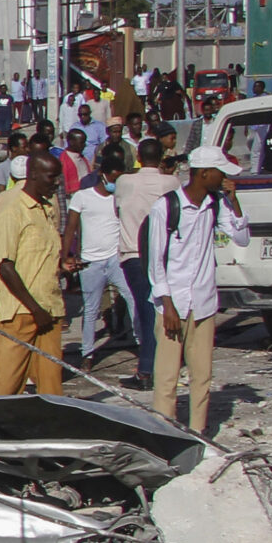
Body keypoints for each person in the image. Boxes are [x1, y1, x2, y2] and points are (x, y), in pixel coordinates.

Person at [145, 143, 251, 434]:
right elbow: (156, 262)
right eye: (221, 174)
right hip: (172, 304)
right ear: (204, 174)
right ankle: (164, 433)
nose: (225, 179)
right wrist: (166, 304)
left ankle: (198, 434)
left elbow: (242, 238)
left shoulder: (215, 204)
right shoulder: (166, 206)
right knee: (166, 377)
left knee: (201, 376)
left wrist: (233, 198)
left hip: (203, 303)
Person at [0, 155, 67, 397]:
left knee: (51, 386)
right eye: (52, 177)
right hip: (19, 312)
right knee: (7, 386)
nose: (57, 183)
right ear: (34, 175)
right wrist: (35, 309)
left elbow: (40, 255)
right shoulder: (13, 211)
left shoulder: (47, 209)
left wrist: (65, 264)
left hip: (49, 310)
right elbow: (5, 266)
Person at [114, 138, 174, 390]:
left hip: (133, 255)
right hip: (164, 255)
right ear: (161, 156)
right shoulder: (172, 182)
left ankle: (148, 369)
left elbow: (118, 210)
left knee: (146, 311)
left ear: (138, 155)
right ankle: (159, 365)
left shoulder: (124, 181)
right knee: (159, 310)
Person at [67, 144, 133, 369]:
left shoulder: (120, 198)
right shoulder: (82, 197)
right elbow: (71, 228)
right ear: (103, 175)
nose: (116, 182)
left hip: (115, 259)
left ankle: (142, 343)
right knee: (91, 309)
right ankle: (87, 353)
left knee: (132, 298)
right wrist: (67, 256)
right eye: (114, 177)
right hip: (90, 262)